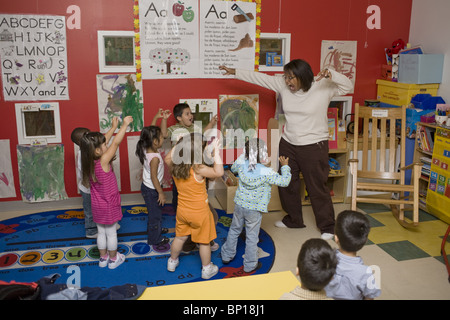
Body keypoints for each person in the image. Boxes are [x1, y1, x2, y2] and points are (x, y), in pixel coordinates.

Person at [219, 60, 353, 240]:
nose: (288, 81)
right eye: (286, 77)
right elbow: (259, 78)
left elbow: (347, 86)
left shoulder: (322, 86)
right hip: (289, 143)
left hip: (314, 145)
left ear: (303, 76)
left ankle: (328, 226)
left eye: (292, 78)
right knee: (287, 182)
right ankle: (294, 219)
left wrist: (331, 73)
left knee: (316, 186)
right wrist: (234, 70)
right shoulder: (283, 84)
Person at [221, 138, 291, 273]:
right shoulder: (266, 172)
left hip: (240, 205)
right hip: (254, 209)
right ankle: (250, 264)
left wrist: (244, 155)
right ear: (263, 155)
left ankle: (226, 255)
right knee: (252, 236)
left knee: (234, 229)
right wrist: (285, 166)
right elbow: (285, 181)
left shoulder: (241, 164)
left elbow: (233, 168)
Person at [165, 133, 224, 279]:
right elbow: (219, 172)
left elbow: (167, 158)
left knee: (179, 238)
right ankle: (207, 268)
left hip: (182, 211)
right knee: (204, 242)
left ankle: (172, 261)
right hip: (200, 213)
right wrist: (216, 152)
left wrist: (179, 143)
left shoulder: (175, 166)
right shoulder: (198, 168)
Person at [80, 116, 133, 269]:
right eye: (104, 144)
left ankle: (103, 259)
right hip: (109, 203)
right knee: (111, 233)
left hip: (97, 204)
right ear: (98, 150)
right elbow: (116, 142)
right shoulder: (103, 161)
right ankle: (114, 258)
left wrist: (113, 127)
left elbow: (104, 142)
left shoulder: (88, 160)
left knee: (101, 232)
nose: (106, 144)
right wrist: (123, 125)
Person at [71, 123, 119, 238]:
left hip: (95, 188)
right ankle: (91, 230)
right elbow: (111, 144)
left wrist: (113, 128)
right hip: (88, 190)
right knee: (90, 211)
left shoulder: (88, 151)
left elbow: (104, 140)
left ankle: (107, 223)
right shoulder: (84, 155)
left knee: (101, 207)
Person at [324, 210, 381, 300]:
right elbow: (369, 297)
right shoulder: (366, 273)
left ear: (336, 238)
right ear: (365, 241)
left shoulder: (324, 260)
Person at [136, 125, 169, 246]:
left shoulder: (146, 149)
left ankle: (155, 230)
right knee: (155, 215)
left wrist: (156, 117)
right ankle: (154, 239)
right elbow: (153, 177)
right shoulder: (154, 158)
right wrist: (160, 192)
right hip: (152, 190)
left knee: (155, 212)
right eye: (161, 137)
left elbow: (148, 130)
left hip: (148, 187)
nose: (163, 139)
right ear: (154, 141)